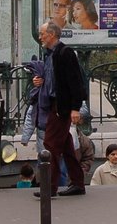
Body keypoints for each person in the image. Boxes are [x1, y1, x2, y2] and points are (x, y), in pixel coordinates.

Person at [36, 21, 87, 196]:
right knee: (66, 146)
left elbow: (75, 82)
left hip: (61, 106)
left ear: (51, 35)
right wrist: (40, 81)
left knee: (50, 144)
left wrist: (75, 108)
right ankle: (78, 183)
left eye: (42, 33)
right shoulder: (50, 55)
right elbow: (53, 79)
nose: (40, 36)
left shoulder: (65, 54)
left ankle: (49, 186)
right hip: (55, 104)